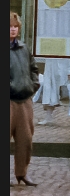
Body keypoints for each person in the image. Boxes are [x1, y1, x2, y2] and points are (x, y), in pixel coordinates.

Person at [10, 12, 39, 186]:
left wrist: (33, 85)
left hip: (24, 100)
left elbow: (33, 69)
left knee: (25, 139)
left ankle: (22, 173)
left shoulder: (23, 48)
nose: (12, 29)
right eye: (9, 26)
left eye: (15, 26)